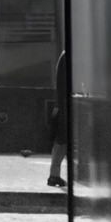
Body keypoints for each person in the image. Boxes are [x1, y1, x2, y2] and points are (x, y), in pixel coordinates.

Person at [47, 49, 69, 189]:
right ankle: (54, 175)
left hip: (62, 105)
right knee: (61, 143)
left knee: (61, 143)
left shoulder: (64, 56)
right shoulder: (68, 57)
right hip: (65, 107)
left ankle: (54, 175)